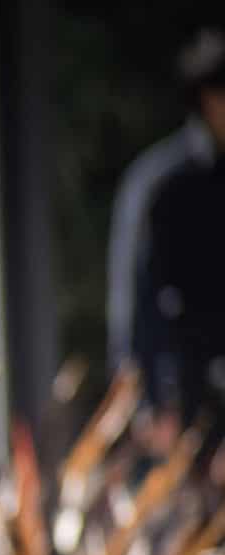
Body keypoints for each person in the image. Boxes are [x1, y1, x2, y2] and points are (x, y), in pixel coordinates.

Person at [107, 28, 225, 446]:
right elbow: (137, 300)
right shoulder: (163, 184)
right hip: (187, 393)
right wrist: (146, 399)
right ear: (209, 98)